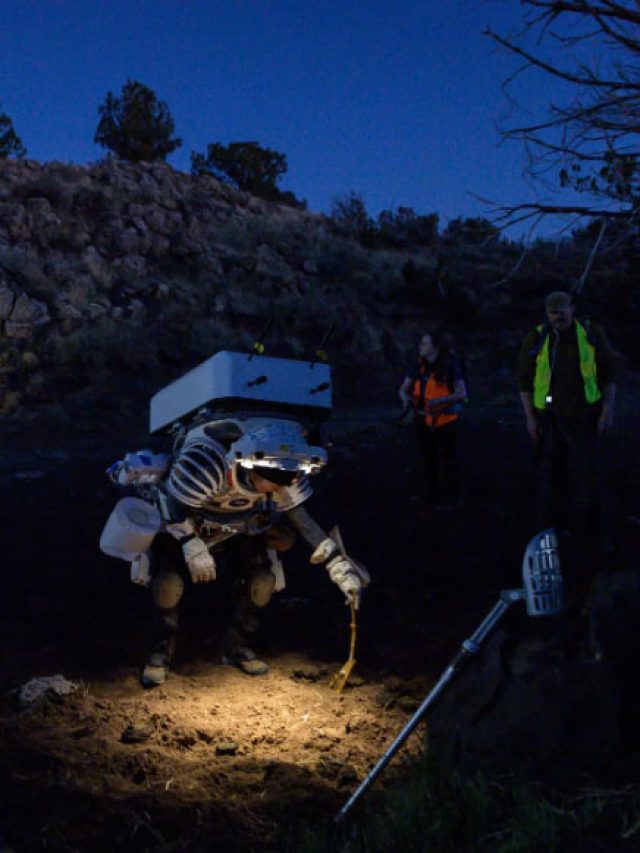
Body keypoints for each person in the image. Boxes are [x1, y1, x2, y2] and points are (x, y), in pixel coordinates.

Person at [102, 418, 370, 689]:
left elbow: (301, 518)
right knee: (168, 585)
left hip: (242, 527)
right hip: (190, 525)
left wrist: (337, 564)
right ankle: (160, 651)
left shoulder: (286, 465)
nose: (276, 488)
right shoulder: (208, 460)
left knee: (262, 582)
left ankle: (238, 645)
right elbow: (173, 506)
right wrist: (192, 546)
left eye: (282, 482)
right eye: (270, 482)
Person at [517, 290, 618, 557]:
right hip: (548, 419)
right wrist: (530, 418)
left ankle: (596, 532)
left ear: (572, 309)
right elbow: (524, 381)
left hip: (585, 416)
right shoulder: (538, 338)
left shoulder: (589, 334)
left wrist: (607, 411)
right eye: (553, 311)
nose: (558, 315)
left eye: (562, 309)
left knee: (590, 474)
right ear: (546, 313)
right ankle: (555, 530)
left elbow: (609, 374)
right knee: (551, 476)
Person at [399, 331, 467, 510]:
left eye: (425, 344)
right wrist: (405, 399)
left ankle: (452, 499)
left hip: (445, 420)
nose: (421, 347)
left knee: (447, 460)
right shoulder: (418, 366)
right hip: (422, 418)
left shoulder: (450, 365)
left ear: (435, 347)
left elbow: (462, 393)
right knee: (427, 459)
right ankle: (430, 497)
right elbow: (403, 389)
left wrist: (440, 401)